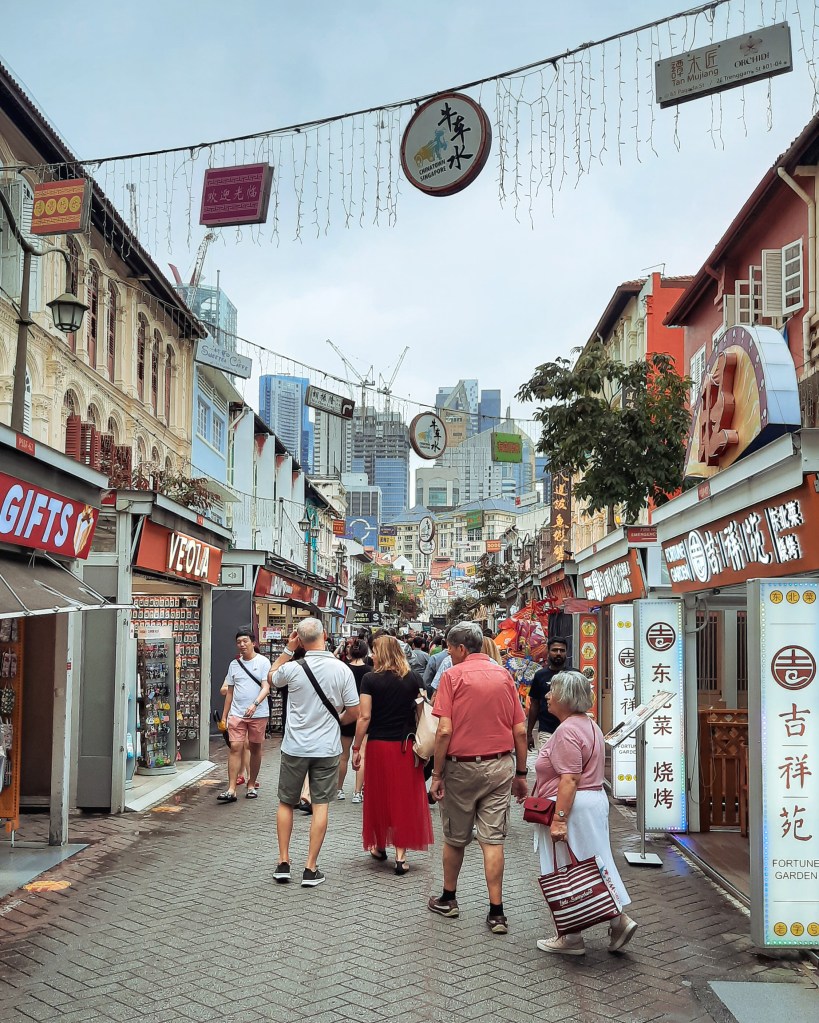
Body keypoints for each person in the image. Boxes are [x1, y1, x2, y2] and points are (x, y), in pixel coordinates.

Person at [428, 621, 529, 935]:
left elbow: (443, 731)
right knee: (492, 839)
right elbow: (521, 730)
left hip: (461, 768)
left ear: (460, 648)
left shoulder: (452, 676)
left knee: (456, 838)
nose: (449, 655)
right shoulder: (504, 676)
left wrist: (436, 774)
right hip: (499, 767)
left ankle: (449, 898)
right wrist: (522, 773)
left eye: (450, 649)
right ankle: (496, 912)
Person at [532, 670, 637, 955]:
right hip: (591, 803)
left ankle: (570, 935)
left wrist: (559, 820)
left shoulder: (567, 731)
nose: (547, 696)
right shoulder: (589, 725)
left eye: (552, 691)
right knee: (592, 863)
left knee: (566, 868)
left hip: (572, 807)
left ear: (565, 697)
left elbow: (569, 778)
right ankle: (617, 920)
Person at [268, 618, 360, 887]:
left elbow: (271, 676)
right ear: (325, 636)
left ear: (299, 638)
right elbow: (354, 711)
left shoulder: (293, 669)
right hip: (328, 747)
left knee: (286, 802)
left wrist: (287, 650)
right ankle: (310, 867)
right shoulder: (341, 670)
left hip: (295, 746)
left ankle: (283, 862)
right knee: (321, 804)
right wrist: (337, 721)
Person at [352, 635, 433, 873]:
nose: (371, 656)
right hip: (405, 747)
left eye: (375, 651)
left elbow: (364, 717)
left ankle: (378, 845)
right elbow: (421, 714)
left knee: (380, 795)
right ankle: (401, 856)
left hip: (378, 745)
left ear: (383, 653)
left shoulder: (370, 679)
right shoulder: (413, 678)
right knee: (404, 798)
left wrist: (357, 748)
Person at [217, 628, 272, 803]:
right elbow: (230, 693)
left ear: (253, 643)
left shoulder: (263, 662)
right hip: (237, 713)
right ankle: (231, 788)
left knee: (255, 748)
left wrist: (255, 704)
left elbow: (266, 687)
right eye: (239, 642)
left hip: (258, 713)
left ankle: (251, 784)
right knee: (235, 748)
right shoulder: (234, 664)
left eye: (245, 641)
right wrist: (225, 716)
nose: (242, 645)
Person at [338, 638, 370, 802]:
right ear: (366, 653)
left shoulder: (343, 669)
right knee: (362, 755)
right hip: (364, 716)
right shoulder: (370, 671)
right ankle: (357, 792)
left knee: (343, 755)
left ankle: (339, 789)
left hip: (347, 714)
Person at [527, 638, 569, 750]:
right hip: (546, 731)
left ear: (566, 652)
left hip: (570, 730)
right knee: (546, 765)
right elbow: (534, 705)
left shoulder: (574, 675)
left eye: (562, 650)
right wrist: (529, 733)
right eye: (555, 650)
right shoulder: (540, 676)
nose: (558, 653)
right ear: (548, 652)